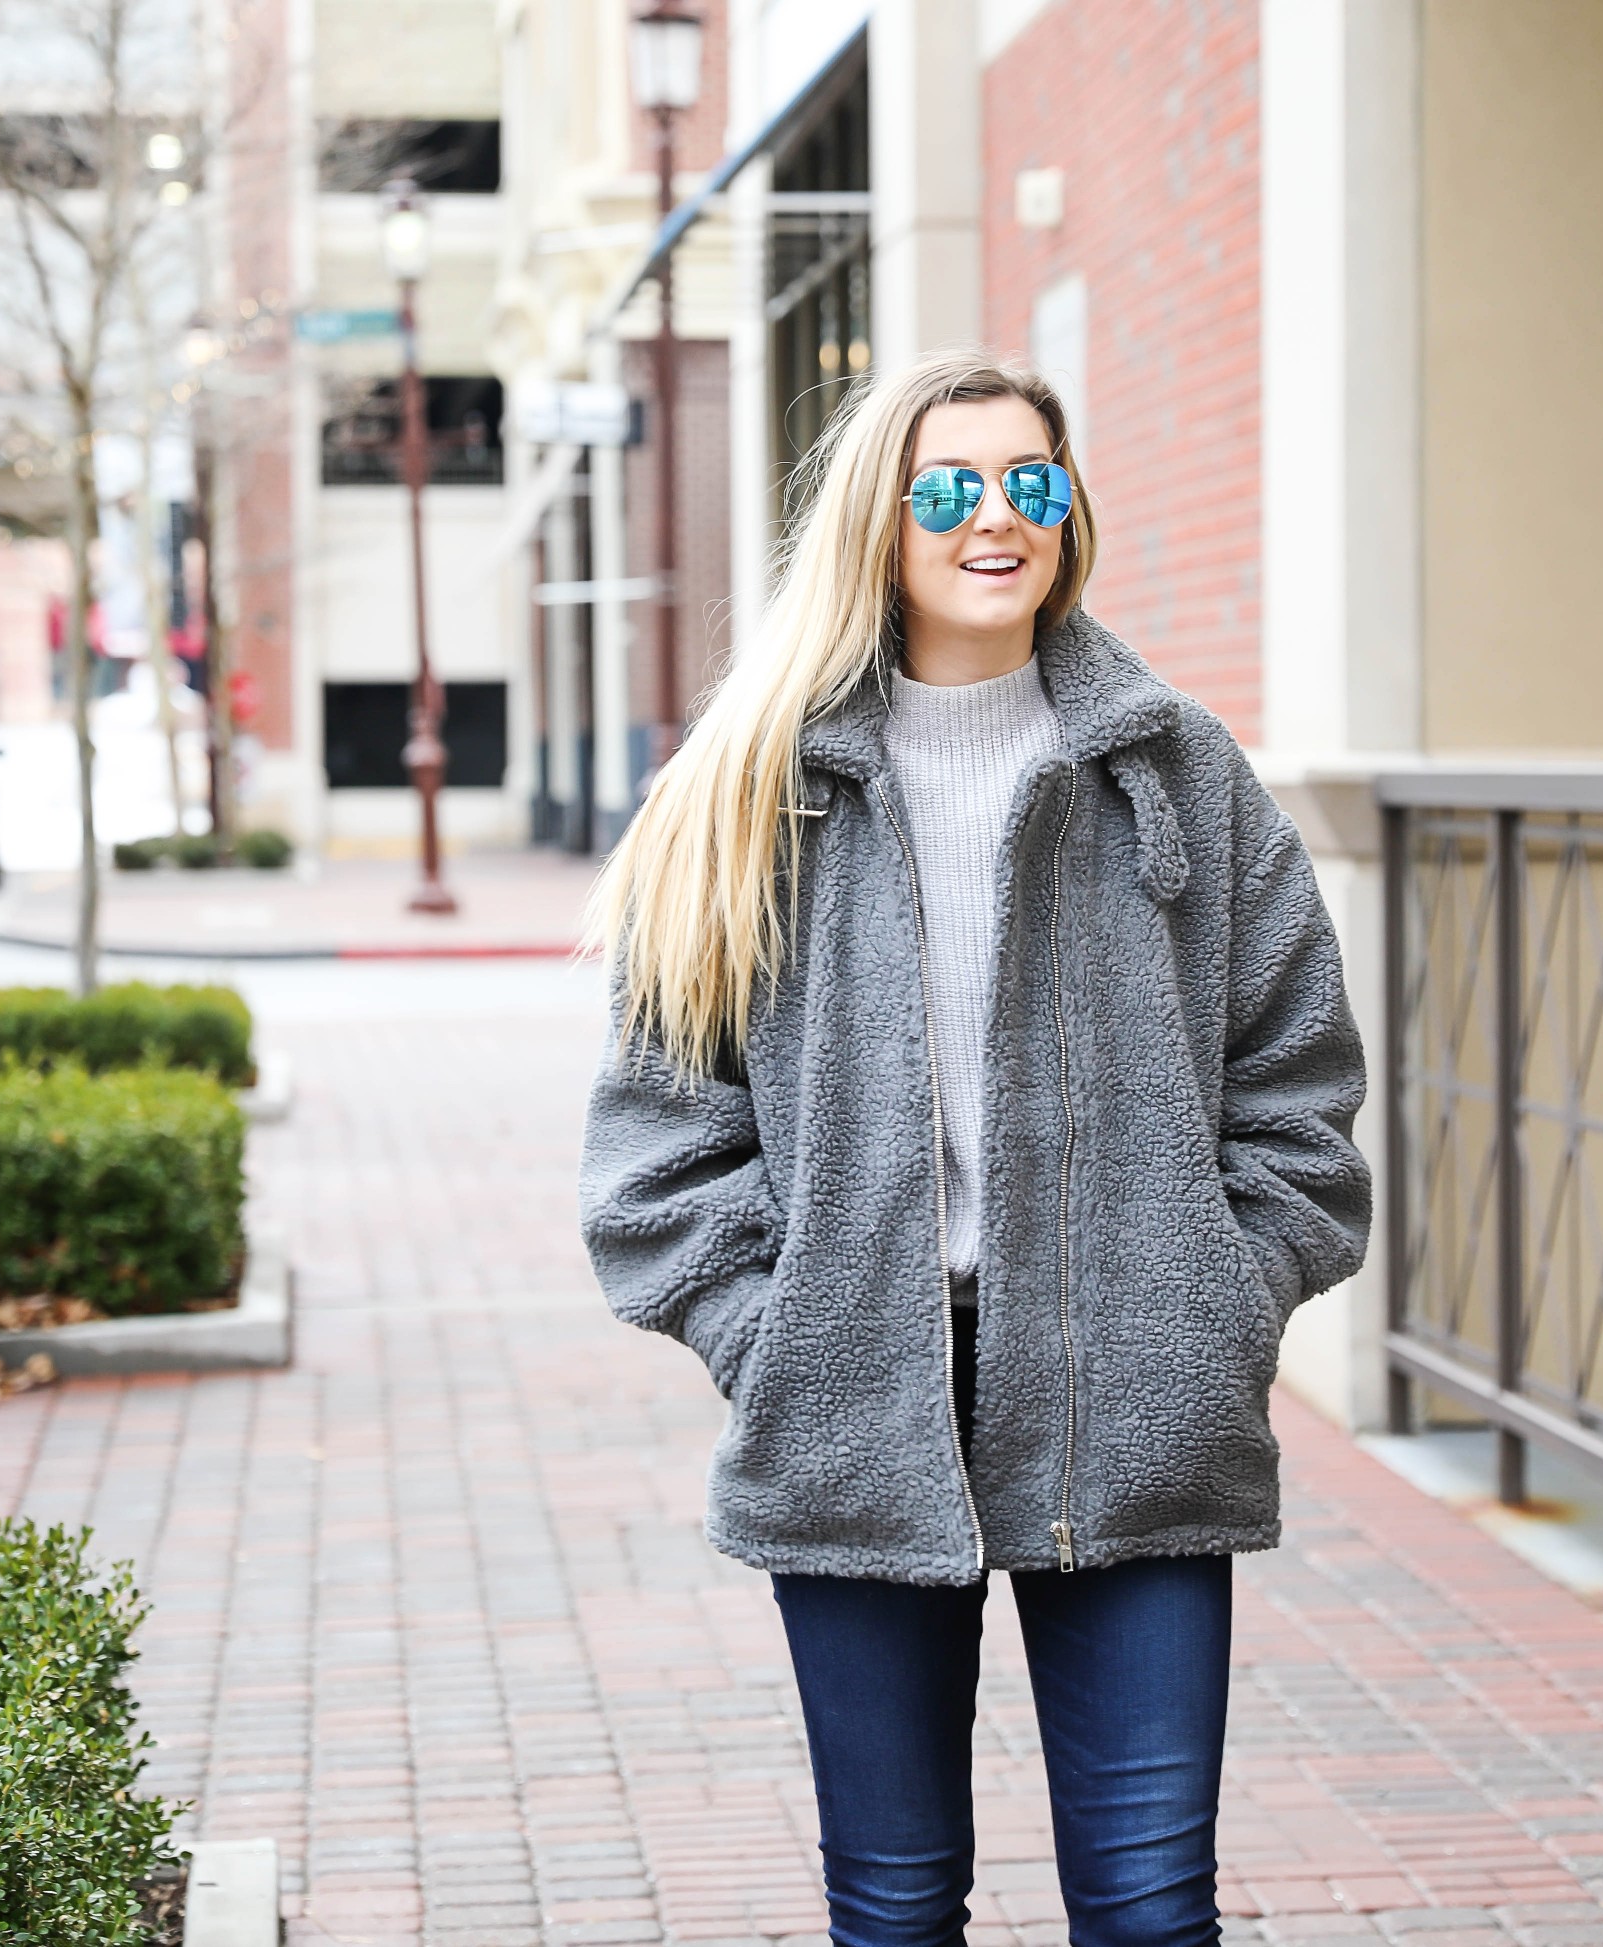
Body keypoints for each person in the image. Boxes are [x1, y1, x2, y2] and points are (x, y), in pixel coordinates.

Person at [578, 348, 1370, 1947]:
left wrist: (1215, 1302)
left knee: (1152, 1910)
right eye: (949, 489)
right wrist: (775, 1334)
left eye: (1031, 484)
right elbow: (658, 1152)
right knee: (891, 1909)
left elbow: (1297, 1084)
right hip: (855, 1395)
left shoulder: (1175, 771)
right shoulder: (744, 794)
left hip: (1132, 1390)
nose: (994, 519)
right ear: (881, 521)